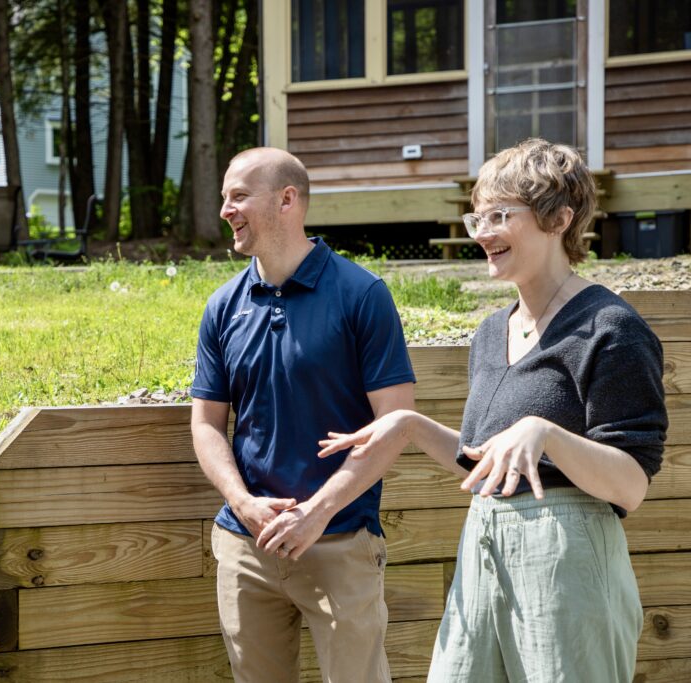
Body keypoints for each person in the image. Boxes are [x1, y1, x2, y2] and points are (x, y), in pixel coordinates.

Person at [319, 138, 668, 682]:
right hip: (482, 544)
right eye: (476, 217)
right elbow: (488, 462)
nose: (480, 232)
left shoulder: (611, 328)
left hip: (568, 556)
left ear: (559, 218)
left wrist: (545, 433)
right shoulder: (490, 332)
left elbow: (631, 486)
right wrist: (410, 425)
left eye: (500, 216)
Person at [190, 147, 416, 683]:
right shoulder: (223, 306)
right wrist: (242, 503)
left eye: (239, 195)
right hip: (247, 546)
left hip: (339, 542)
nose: (226, 210)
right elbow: (205, 424)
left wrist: (316, 512)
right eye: (225, 197)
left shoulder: (362, 295)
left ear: (287, 199)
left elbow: (397, 421)